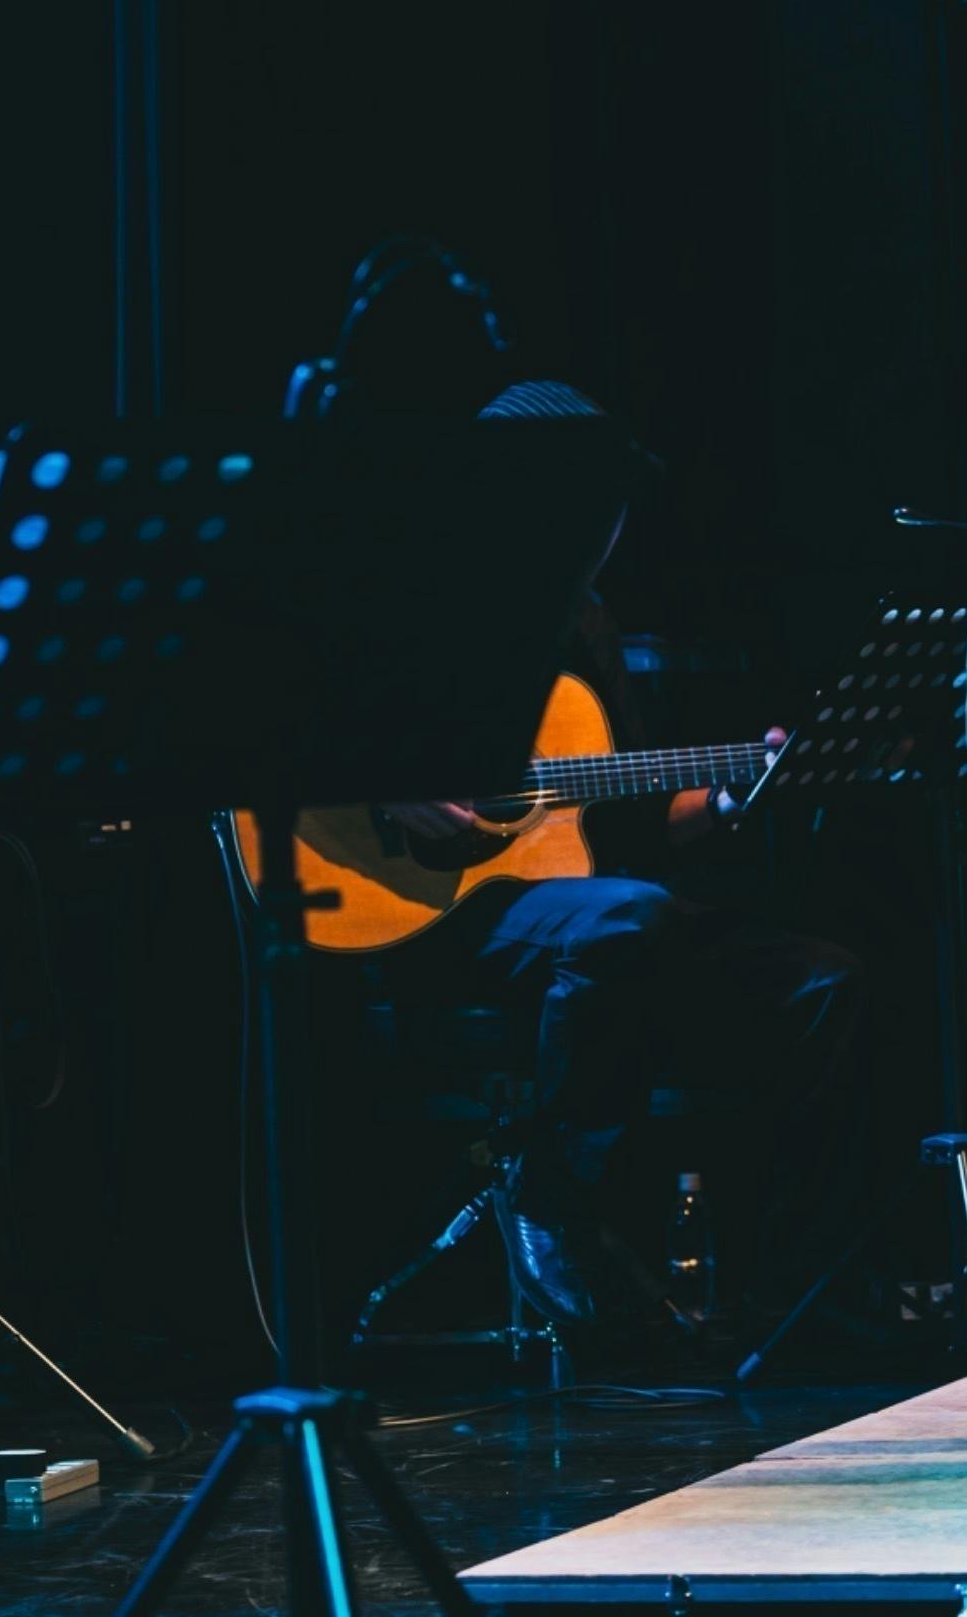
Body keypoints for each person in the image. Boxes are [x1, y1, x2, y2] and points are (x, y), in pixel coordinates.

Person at [302, 240, 863, 1327]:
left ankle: (788, 1295)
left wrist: (735, 793)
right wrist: (387, 780)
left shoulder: (589, 624)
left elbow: (634, 828)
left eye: (612, 504)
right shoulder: (407, 601)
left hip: (583, 916)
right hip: (436, 918)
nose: (606, 526)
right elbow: (277, 716)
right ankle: (556, 1193)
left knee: (823, 982)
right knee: (626, 922)